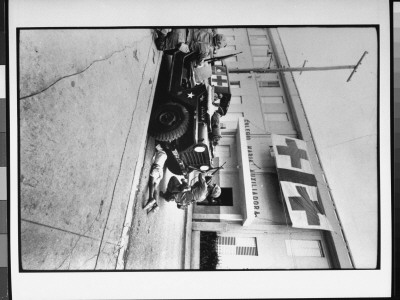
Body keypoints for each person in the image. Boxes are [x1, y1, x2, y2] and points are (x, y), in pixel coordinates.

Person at [154, 28, 227, 67]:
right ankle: (164, 31)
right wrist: (201, 64)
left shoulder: (208, 29)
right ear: (216, 45)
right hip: (180, 39)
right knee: (161, 46)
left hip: (183, 28)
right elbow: (199, 63)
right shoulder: (206, 50)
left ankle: (164, 29)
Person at [143, 144, 168, 214]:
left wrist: (157, 146)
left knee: (151, 182)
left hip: (156, 168)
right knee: (155, 188)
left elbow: (156, 145)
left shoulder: (161, 151)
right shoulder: (165, 156)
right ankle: (155, 205)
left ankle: (151, 198)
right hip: (160, 171)